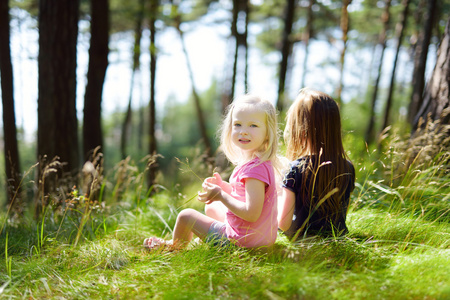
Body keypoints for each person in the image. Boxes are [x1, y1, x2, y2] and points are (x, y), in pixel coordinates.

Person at [144, 94, 281, 250]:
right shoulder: (258, 163)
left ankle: (173, 248)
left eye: (253, 126)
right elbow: (243, 194)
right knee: (211, 208)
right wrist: (223, 187)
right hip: (259, 239)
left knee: (186, 216)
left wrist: (221, 195)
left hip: (242, 243)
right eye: (238, 124)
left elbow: (251, 213)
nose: (243, 131)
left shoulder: (254, 170)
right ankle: (201, 238)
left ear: (268, 133)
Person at [277, 88, 355, 240]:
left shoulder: (295, 168)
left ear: (300, 129)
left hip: (303, 244)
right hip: (338, 241)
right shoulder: (347, 167)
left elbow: (284, 224)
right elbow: (341, 215)